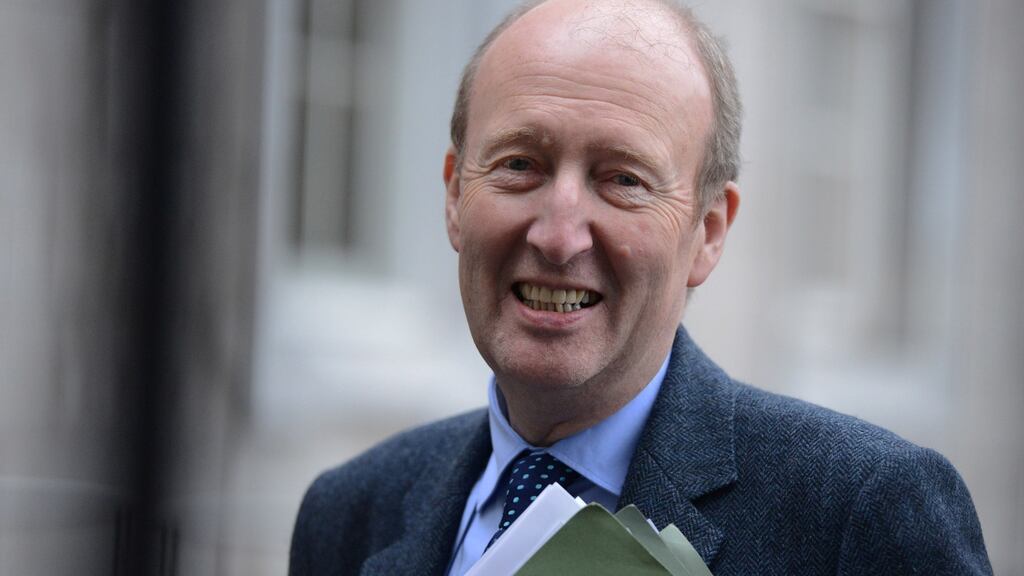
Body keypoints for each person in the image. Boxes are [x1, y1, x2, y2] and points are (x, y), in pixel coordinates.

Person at [289, 0, 993, 574]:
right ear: (453, 196)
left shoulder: (857, 516)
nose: (559, 236)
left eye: (622, 180)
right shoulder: (350, 513)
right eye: (519, 164)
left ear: (709, 231)